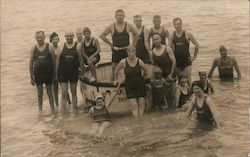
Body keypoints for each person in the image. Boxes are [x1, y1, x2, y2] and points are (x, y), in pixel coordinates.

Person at [100, 9, 139, 81]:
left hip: (126, 50)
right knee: (114, 69)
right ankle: (112, 84)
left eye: (121, 15)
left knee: (128, 68)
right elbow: (102, 35)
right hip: (116, 50)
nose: (120, 17)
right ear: (115, 16)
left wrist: (133, 45)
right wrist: (111, 45)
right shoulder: (111, 26)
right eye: (118, 15)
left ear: (124, 16)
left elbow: (136, 34)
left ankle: (128, 82)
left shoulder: (128, 25)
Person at [114, 46, 148, 116]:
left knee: (141, 105)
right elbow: (116, 70)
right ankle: (136, 122)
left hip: (140, 85)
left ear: (135, 52)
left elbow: (146, 71)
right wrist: (115, 79)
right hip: (129, 86)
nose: (131, 53)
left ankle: (141, 123)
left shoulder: (139, 61)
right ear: (127, 53)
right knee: (134, 106)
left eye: (133, 51)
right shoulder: (123, 62)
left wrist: (143, 78)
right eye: (130, 52)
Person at [56, 31, 84, 113]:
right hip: (63, 73)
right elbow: (57, 61)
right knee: (64, 94)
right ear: (65, 37)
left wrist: (82, 72)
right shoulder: (61, 47)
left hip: (74, 73)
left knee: (74, 92)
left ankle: (75, 110)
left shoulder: (78, 46)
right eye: (67, 36)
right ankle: (63, 112)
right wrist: (56, 74)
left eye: (70, 36)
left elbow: (81, 60)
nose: (69, 38)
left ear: (73, 36)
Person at [168, 17, 199, 87]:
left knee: (188, 80)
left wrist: (194, 57)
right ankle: (181, 96)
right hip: (177, 61)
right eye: (175, 24)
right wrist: (171, 60)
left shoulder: (187, 34)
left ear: (181, 24)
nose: (177, 26)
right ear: (173, 25)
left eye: (178, 24)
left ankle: (191, 95)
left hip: (186, 61)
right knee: (179, 80)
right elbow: (168, 49)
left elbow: (197, 45)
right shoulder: (172, 35)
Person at [29, 31, 55, 112]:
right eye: (38, 37)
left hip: (48, 74)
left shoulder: (49, 47)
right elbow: (30, 63)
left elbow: (54, 62)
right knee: (39, 94)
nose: (39, 39)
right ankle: (40, 111)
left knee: (50, 93)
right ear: (36, 38)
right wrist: (31, 77)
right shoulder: (33, 48)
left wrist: (54, 74)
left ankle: (53, 110)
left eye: (41, 37)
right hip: (38, 75)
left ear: (44, 37)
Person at [151, 33, 176, 108]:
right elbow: (154, 66)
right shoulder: (152, 52)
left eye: (157, 39)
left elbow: (174, 62)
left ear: (161, 39)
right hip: (161, 77)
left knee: (172, 94)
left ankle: (173, 110)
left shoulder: (167, 48)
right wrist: (157, 78)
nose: (156, 41)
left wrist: (171, 74)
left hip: (171, 74)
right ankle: (166, 111)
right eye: (154, 39)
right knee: (164, 95)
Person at [50, 32, 71, 107]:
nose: (55, 40)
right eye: (53, 39)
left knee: (64, 90)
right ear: (51, 41)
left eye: (56, 39)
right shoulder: (50, 49)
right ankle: (57, 106)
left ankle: (69, 103)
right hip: (52, 72)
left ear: (58, 40)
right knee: (54, 90)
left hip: (61, 71)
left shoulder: (61, 48)